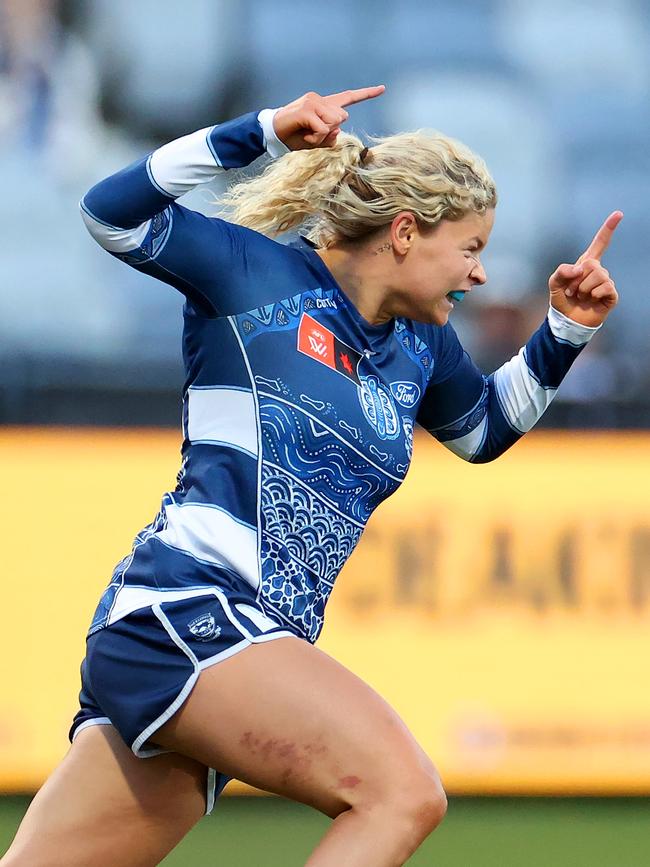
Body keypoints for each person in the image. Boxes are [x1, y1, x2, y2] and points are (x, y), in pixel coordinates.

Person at [2, 85, 621, 867]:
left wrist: (563, 331)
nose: (482, 276)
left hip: (222, 648)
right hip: (189, 615)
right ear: (405, 232)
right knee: (401, 793)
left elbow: (483, 432)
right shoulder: (255, 276)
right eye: (470, 248)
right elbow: (109, 212)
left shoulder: (419, 348)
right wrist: (258, 132)